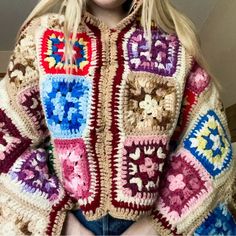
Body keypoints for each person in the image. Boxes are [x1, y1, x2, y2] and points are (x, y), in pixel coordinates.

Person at [0, 0, 235, 235]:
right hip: (65, 222)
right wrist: (67, 227)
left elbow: (211, 149)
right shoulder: (42, 37)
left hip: (151, 225)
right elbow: (6, 140)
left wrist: (155, 226)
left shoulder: (176, 46)